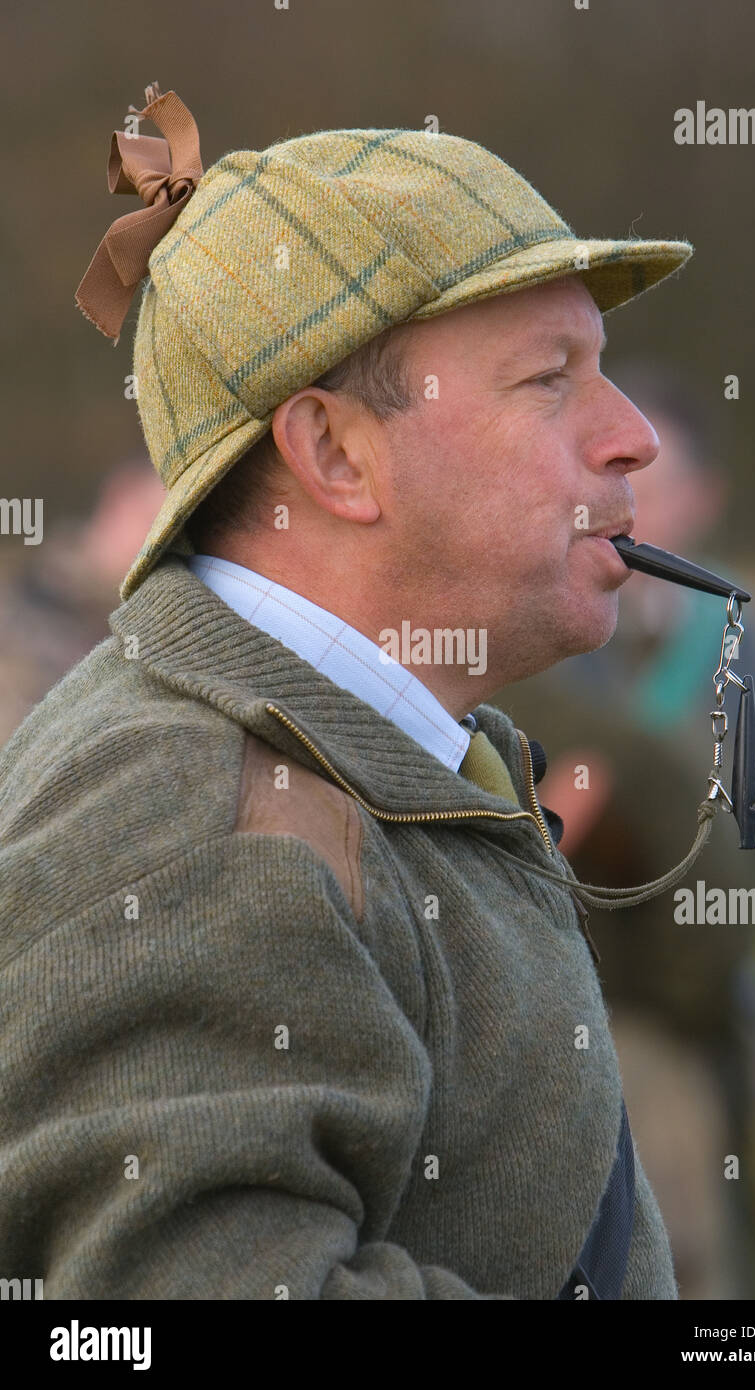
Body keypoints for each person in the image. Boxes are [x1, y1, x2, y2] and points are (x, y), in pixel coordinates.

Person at [0, 87, 700, 1299]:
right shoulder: (192, 800)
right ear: (331, 453)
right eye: (550, 379)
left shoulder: (371, 753)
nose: (632, 435)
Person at [496, 365, 755, 1298]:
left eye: (656, 486)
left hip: (688, 1012)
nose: (629, 508)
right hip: (581, 1014)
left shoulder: (743, 652)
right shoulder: (550, 638)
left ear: (705, 499)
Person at [0, 459, 165, 747]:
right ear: (118, 499)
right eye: (153, 522)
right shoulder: (18, 589)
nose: (157, 547)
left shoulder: (137, 625)